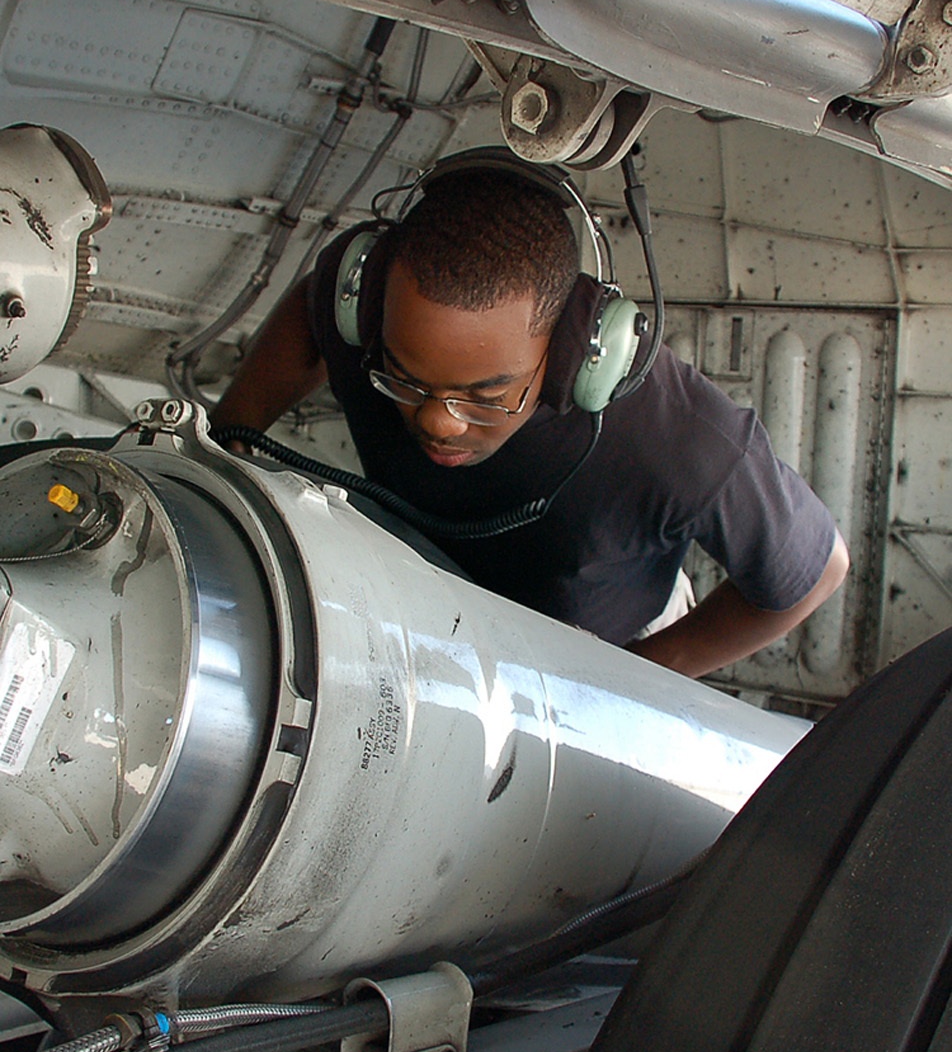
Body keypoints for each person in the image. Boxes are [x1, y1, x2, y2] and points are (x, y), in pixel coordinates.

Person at [211, 157, 848, 678]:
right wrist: (225, 438)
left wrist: (634, 678)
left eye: (486, 396)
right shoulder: (360, 303)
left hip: (597, 646)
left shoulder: (679, 436)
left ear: (577, 356)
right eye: (406, 379)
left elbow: (818, 572)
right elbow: (316, 304)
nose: (440, 423)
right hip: (430, 593)